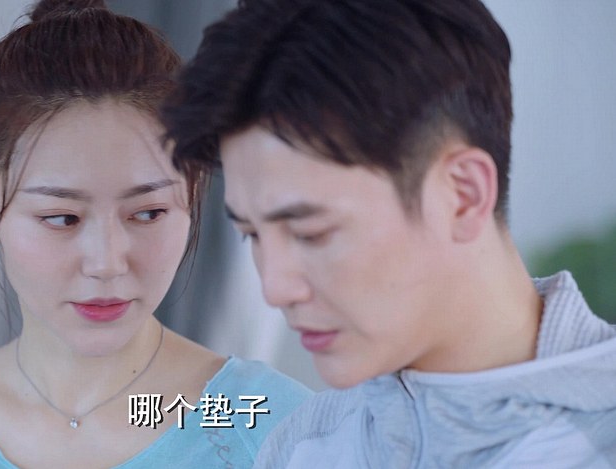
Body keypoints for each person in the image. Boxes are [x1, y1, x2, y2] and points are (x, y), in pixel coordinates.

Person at [0, 1, 311, 467]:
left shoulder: (278, 428)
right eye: (62, 218)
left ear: (194, 194)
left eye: (148, 213)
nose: (106, 263)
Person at [161, 0, 616, 467]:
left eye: (311, 233)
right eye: (252, 235)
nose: (275, 288)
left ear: (462, 195)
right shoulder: (304, 444)